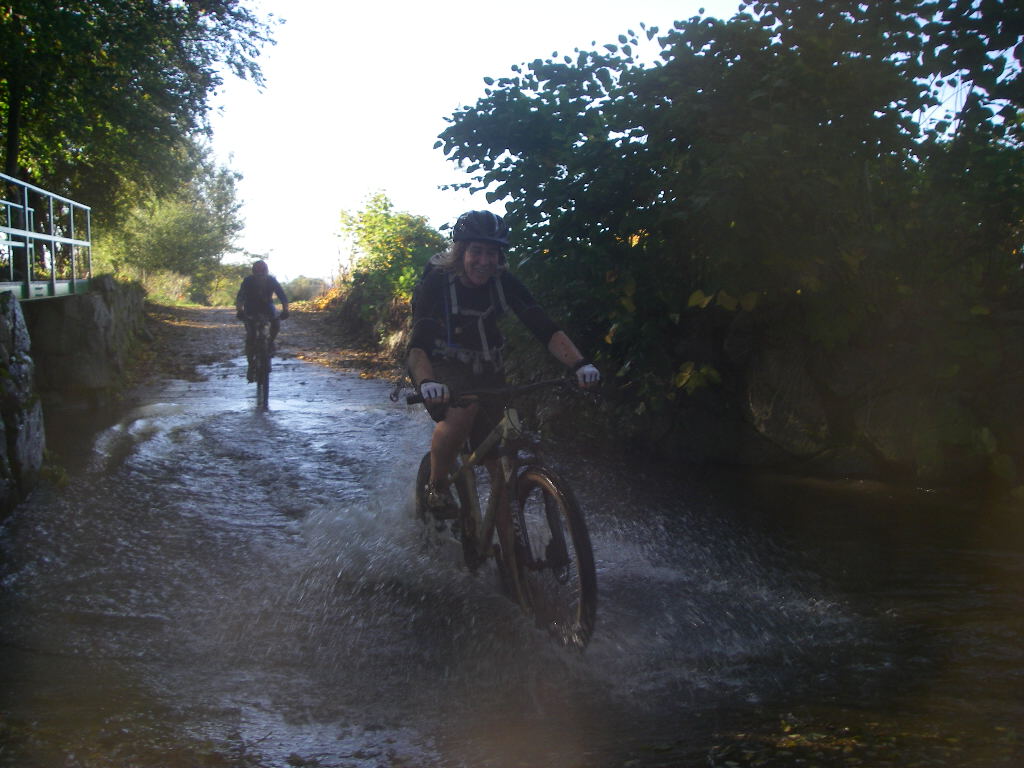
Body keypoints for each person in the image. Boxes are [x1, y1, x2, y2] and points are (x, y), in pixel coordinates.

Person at [406, 210, 600, 512]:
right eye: (477, 251)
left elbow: (543, 327)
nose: (484, 261)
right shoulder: (438, 283)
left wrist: (580, 364)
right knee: (462, 411)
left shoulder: (504, 281)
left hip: (489, 367)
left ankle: (508, 529)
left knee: (503, 457)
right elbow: (418, 345)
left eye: (492, 253)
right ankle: (437, 487)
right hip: (442, 365)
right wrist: (427, 382)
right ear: (461, 251)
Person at [235, 260, 289, 382]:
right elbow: (241, 296)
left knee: (276, 322)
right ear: (253, 271)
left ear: (266, 271)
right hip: (251, 307)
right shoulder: (248, 281)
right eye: (257, 271)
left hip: (267, 306)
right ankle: (251, 365)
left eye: (262, 270)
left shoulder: (271, 280)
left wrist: (285, 310)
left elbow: (282, 295)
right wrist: (240, 310)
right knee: (251, 336)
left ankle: (270, 342)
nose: (260, 273)